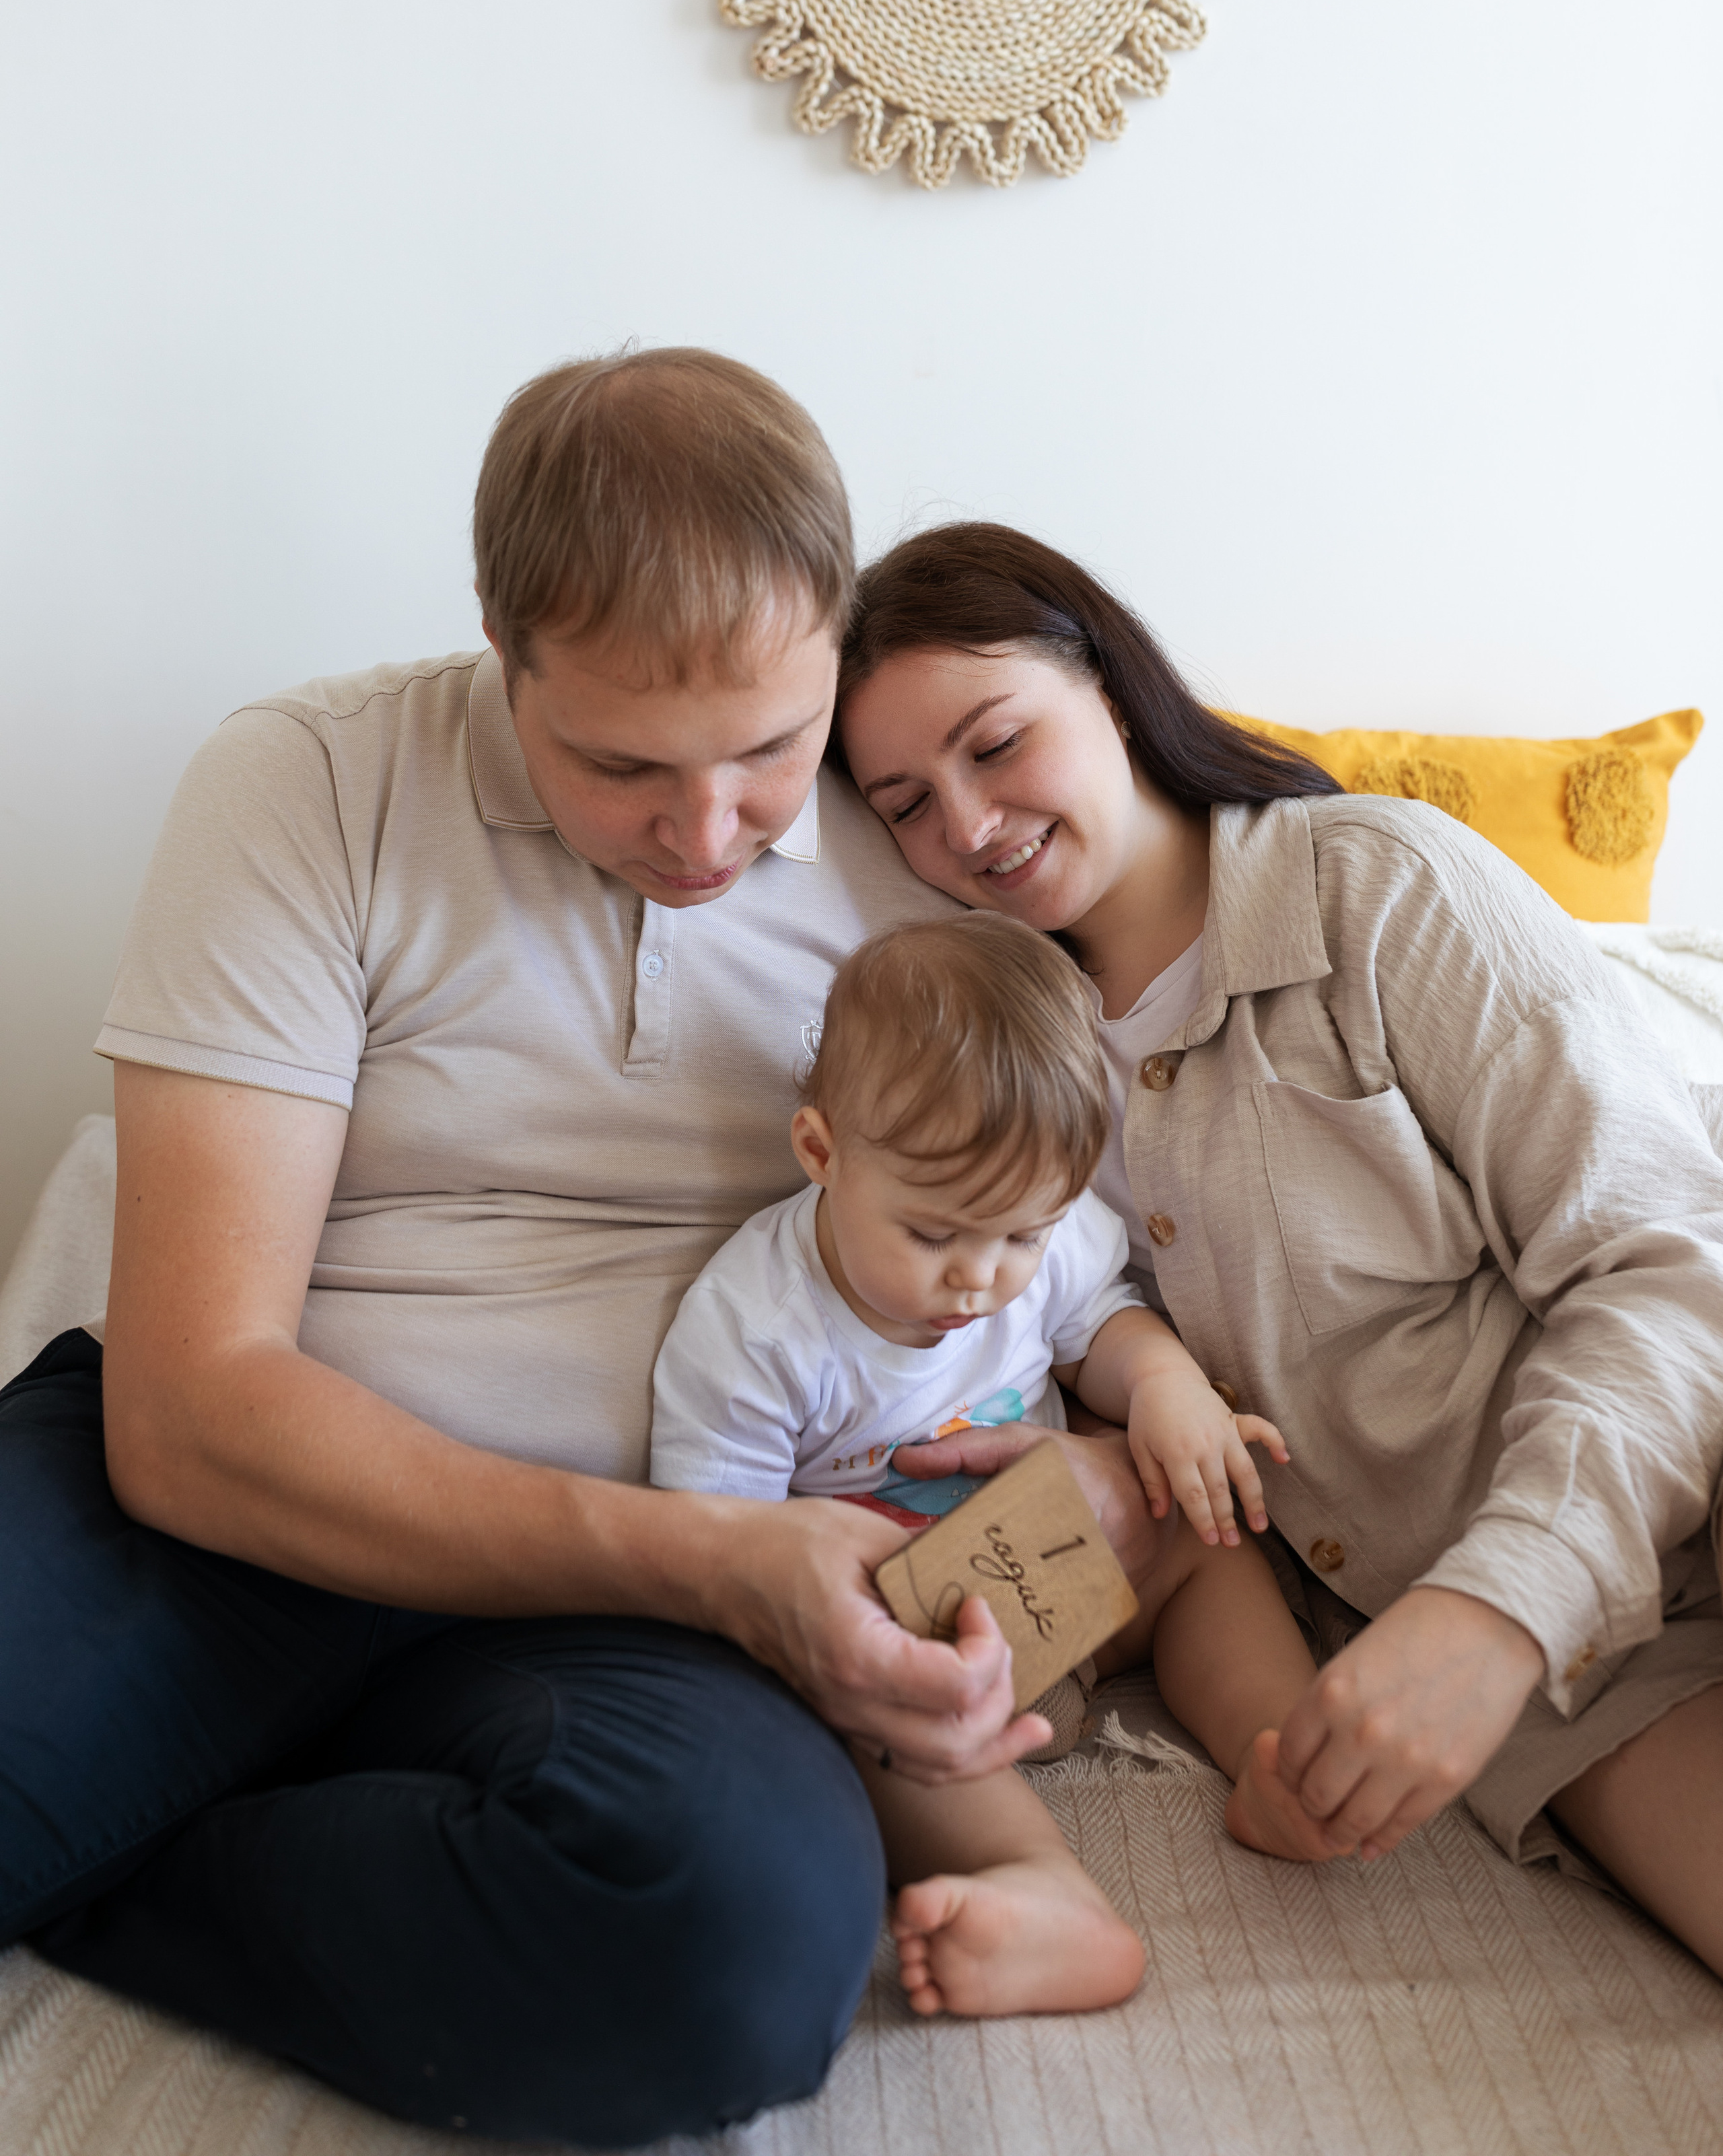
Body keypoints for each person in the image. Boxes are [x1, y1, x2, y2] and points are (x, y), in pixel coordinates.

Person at [1, 355, 1082, 2151]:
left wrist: (1074, 1482)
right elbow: (190, 1416)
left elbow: (1076, 1225)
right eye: (619, 766)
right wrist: (722, 1562)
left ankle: (135, 1846)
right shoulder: (312, 783)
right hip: (231, 1525)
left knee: (730, 1955)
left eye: (767, 751)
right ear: (502, 642)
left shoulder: (928, 859)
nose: (711, 831)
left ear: (835, 639)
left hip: (630, 1627)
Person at [833, 520, 1723, 1975]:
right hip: (1567, 1679)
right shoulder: (987, 1059)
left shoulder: (1373, 890)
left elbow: (1665, 1257)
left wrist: (1497, 1608)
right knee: (850, 1660)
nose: (967, 824)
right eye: (905, 804)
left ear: (1108, 690)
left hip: (1641, 1497)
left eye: (995, 746)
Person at [652, 913, 1336, 2017]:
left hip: (1072, 1564)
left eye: (1023, 1235)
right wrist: (850, 1647)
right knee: (854, 1718)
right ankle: (1037, 1887)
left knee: (1202, 1540)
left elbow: (1100, 1323)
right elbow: (716, 1545)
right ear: (821, 1151)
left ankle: (1281, 1755)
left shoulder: (1040, 1241)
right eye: (934, 1237)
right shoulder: (756, 1329)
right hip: (914, 1631)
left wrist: (1163, 1391)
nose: (984, 1278)